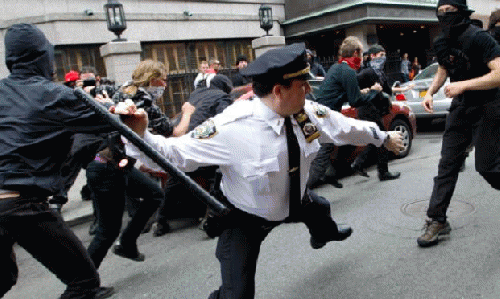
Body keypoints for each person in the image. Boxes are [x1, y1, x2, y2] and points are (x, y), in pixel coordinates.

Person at [121, 42, 404, 298]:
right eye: (302, 85)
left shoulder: (307, 113)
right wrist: (138, 135)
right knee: (237, 294)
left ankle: (323, 233)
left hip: (296, 200)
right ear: (279, 91)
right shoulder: (232, 126)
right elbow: (174, 155)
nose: (309, 90)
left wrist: (383, 137)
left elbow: (346, 128)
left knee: (320, 210)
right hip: (246, 215)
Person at [0, 23, 114, 298]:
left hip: (17, 196)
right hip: (21, 201)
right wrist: (108, 105)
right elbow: (108, 122)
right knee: (84, 281)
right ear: (43, 57)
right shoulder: (54, 94)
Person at [85, 59, 195, 268]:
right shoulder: (142, 101)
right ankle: (83, 283)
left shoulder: (123, 91)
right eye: (163, 80)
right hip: (106, 166)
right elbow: (174, 133)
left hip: (111, 163)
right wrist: (187, 113)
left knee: (154, 194)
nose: (165, 85)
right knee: (107, 230)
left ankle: (126, 243)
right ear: (153, 79)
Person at [417, 0, 500, 247]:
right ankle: (437, 219)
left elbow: (499, 73)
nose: (444, 16)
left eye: (449, 11)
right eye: (440, 12)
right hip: (461, 108)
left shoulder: (479, 38)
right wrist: (431, 91)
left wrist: (464, 84)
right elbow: (444, 67)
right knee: (447, 165)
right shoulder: (441, 41)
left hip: (488, 106)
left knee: (488, 167)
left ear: (462, 12)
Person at [153, 74, 234, 237]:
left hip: (182, 140)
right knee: (217, 175)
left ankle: (160, 221)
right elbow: (224, 121)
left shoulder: (195, 94)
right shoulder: (222, 97)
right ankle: (210, 218)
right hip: (201, 141)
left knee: (175, 179)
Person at [307, 36, 383, 189]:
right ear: (356, 53)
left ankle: (330, 174)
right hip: (324, 116)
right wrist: (374, 92)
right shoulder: (348, 71)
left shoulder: (338, 67)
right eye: (361, 54)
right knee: (324, 153)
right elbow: (355, 101)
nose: (362, 58)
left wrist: (363, 91)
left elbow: (345, 94)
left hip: (322, 113)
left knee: (344, 142)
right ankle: (304, 192)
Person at [352, 44, 401, 181]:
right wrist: (369, 90)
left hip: (374, 110)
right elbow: (354, 86)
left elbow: (386, 90)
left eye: (384, 55)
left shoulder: (380, 73)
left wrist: (402, 90)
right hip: (367, 110)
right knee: (381, 138)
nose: (383, 58)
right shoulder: (367, 72)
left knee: (375, 139)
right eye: (380, 55)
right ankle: (383, 172)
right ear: (372, 56)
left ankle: (359, 163)